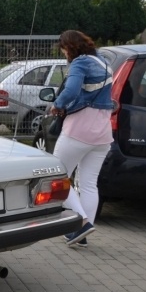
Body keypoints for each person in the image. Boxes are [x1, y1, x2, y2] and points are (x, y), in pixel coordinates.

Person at [49, 30, 114, 247]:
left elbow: (71, 90)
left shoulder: (79, 63)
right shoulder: (103, 62)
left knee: (57, 177)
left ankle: (82, 224)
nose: (64, 53)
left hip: (79, 130)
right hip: (103, 133)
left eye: (64, 49)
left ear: (69, 47)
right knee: (88, 184)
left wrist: (57, 105)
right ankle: (82, 234)